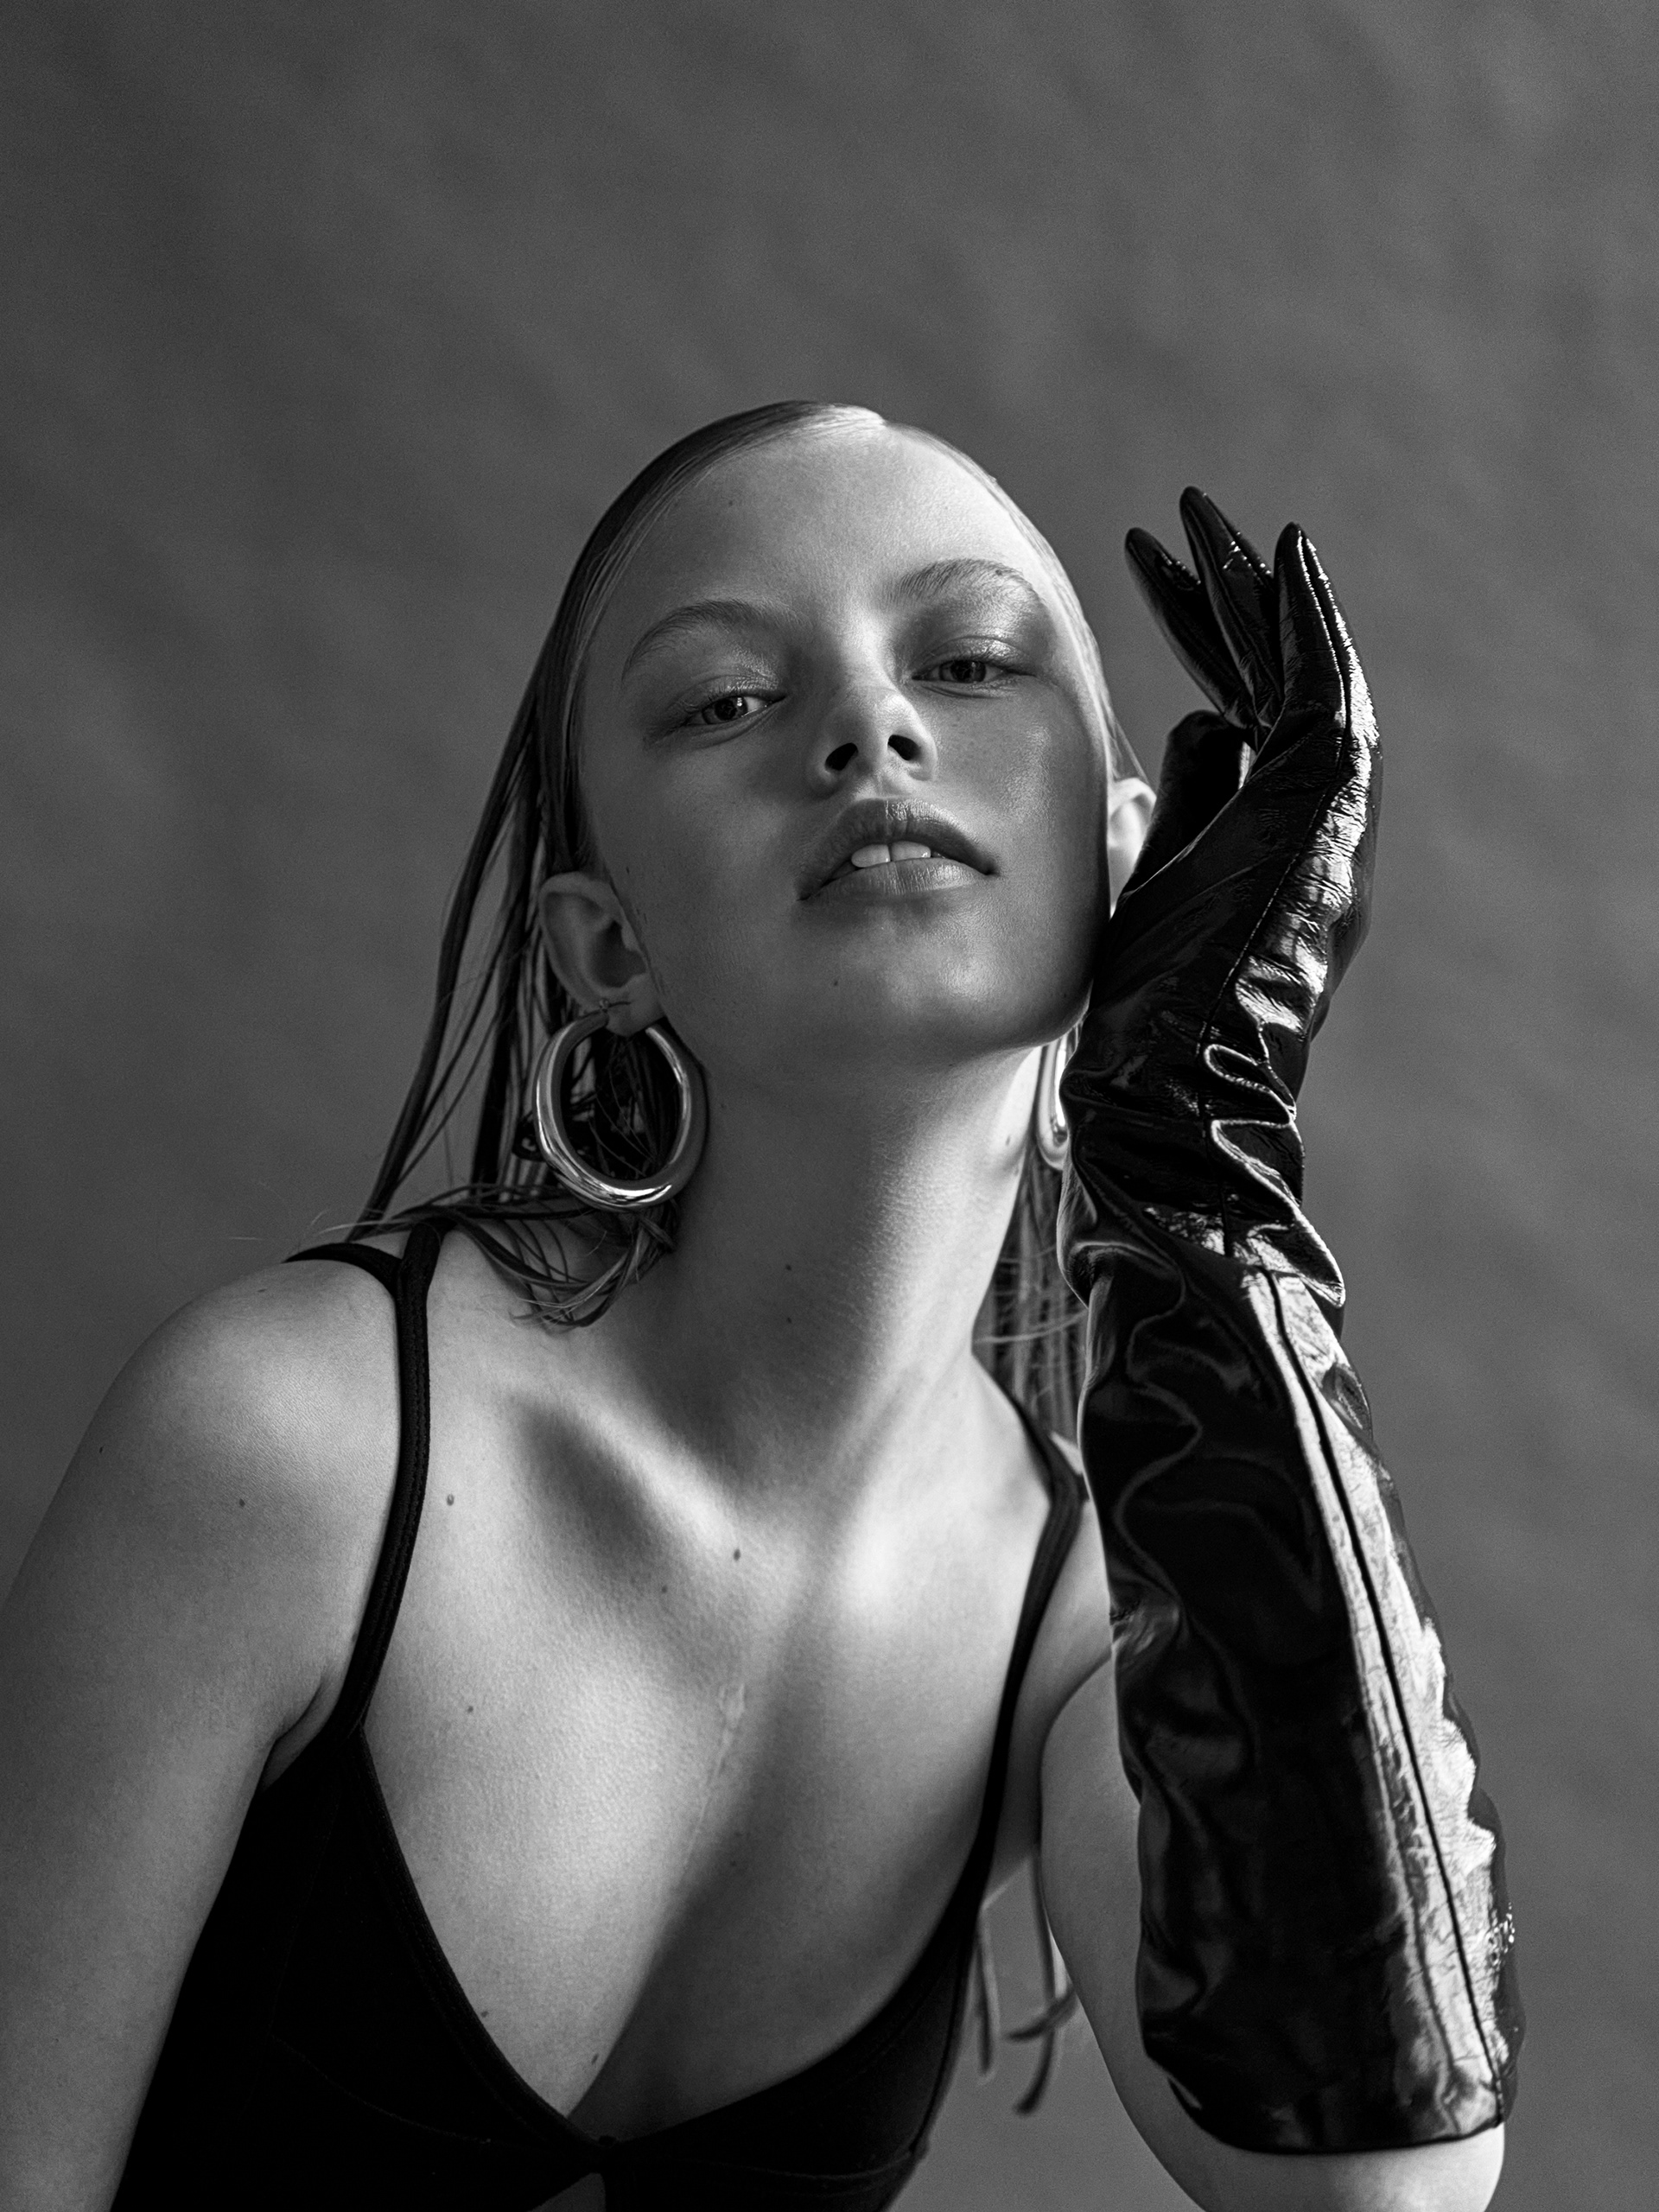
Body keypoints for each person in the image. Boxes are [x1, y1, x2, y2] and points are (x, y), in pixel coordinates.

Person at [0, 403, 1519, 2210]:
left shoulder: (1075, 1622)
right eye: (727, 698)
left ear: (1136, 866)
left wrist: (1197, 1159)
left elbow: (1382, 2191)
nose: (870, 726)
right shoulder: (287, 1450)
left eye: (968, 660)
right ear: (607, 946)